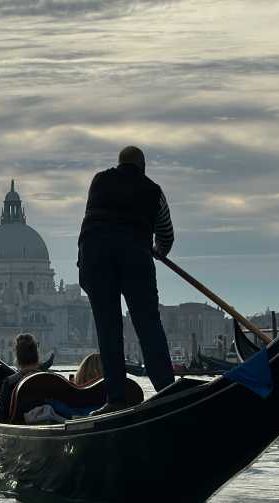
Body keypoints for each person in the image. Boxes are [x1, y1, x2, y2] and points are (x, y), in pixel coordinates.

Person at [78, 145, 176, 415]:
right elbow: (166, 234)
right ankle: (167, 390)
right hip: (135, 259)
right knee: (147, 324)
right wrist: (159, 251)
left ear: (119, 163)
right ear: (142, 167)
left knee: (109, 329)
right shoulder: (153, 190)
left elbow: (94, 218)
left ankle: (116, 398)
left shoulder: (99, 181)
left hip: (95, 259)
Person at [0, 333, 41, 423]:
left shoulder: (9, 383)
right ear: (36, 356)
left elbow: (3, 415)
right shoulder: (49, 378)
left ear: (17, 356)